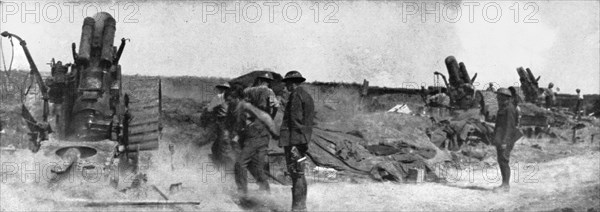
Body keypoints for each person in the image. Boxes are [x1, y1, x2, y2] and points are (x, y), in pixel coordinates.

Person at [227, 83, 274, 195]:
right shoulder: (237, 107)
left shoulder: (245, 106)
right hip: (250, 138)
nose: (229, 102)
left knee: (240, 164)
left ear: (237, 98)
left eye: (230, 100)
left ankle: (243, 194)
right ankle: (265, 189)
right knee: (253, 166)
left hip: (255, 137)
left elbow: (262, 118)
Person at [279, 71, 315, 211]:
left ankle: (297, 208)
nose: (286, 86)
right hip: (302, 140)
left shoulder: (295, 96)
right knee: (300, 174)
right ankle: (301, 207)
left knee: (296, 174)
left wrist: (294, 145)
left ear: (292, 82)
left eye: (287, 83)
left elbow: (295, 122)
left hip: (295, 141)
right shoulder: (305, 95)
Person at [493, 88, 523, 192]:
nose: (497, 98)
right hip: (501, 138)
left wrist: (505, 142)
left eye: (499, 96)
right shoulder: (503, 107)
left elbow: (509, 127)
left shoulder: (509, 108)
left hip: (506, 139)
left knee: (504, 160)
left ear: (505, 97)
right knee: (501, 160)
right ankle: (504, 184)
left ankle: (505, 185)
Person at [207, 83, 235, 166]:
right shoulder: (232, 98)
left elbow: (209, 109)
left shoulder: (218, 97)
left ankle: (223, 165)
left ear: (221, 89)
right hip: (231, 123)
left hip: (222, 123)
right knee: (218, 146)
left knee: (220, 146)